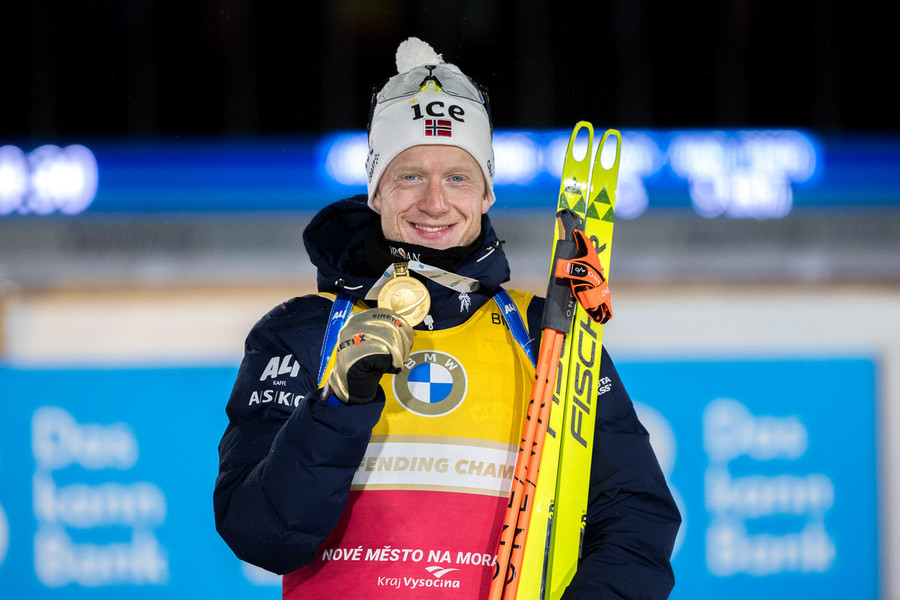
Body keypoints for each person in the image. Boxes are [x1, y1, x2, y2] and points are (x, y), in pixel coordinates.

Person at [214, 37, 680, 599]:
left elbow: (636, 519)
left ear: (486, 192)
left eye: (457, 177)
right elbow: (261, 536)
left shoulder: (547, 334)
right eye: (410, 176)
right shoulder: (304, 332)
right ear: (376, 191)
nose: (435, 202)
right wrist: (340, 404)